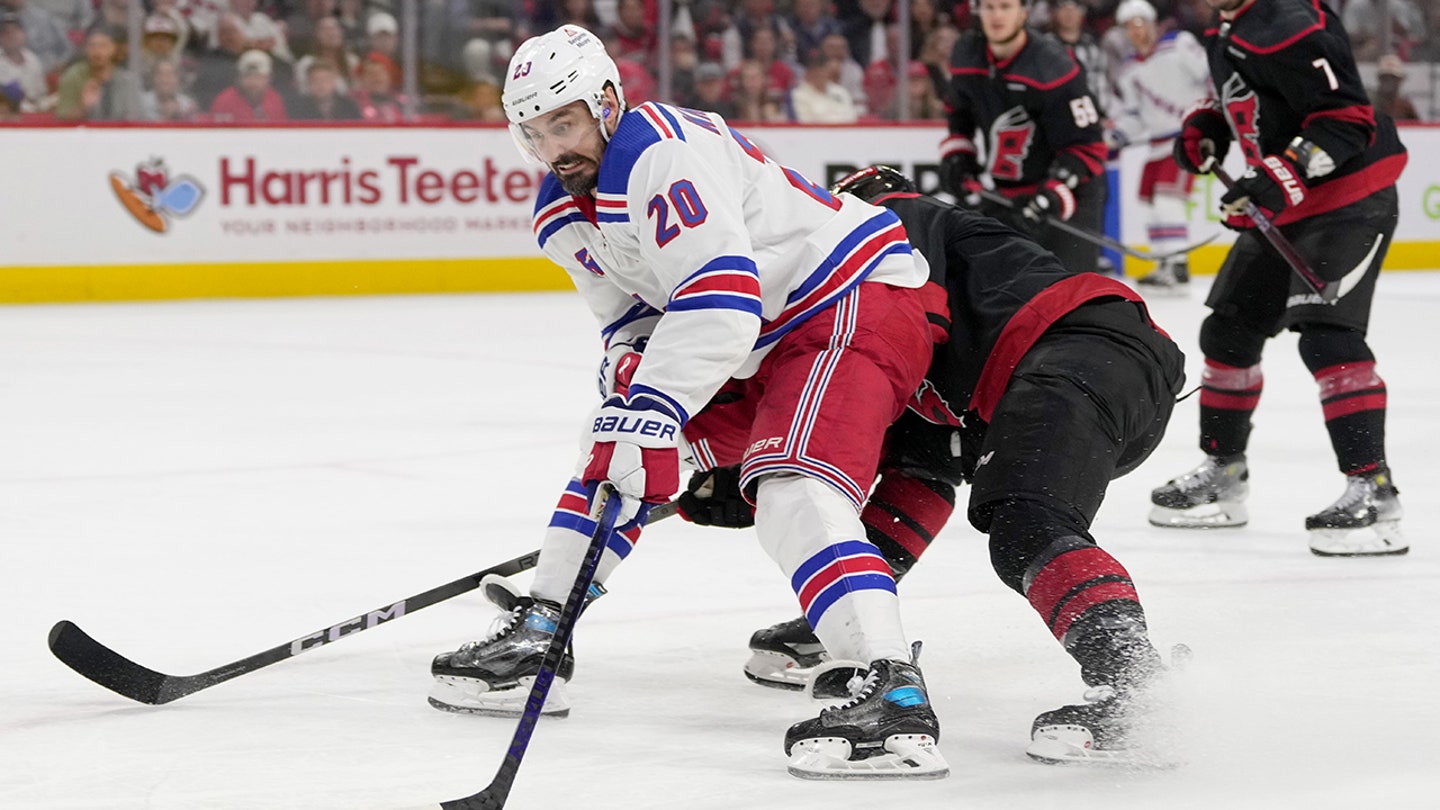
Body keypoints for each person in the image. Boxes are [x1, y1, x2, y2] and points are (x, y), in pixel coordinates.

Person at [427, 26, 949, 781]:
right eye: (534, 132)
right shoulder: (560, 210)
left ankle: (892, 687)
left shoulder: (660, 149)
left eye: (563, 123)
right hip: (761, 334)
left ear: (607, 102)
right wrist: (629, 382)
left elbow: (722, 295)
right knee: (616, 451)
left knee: (791, 487)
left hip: (849, 299)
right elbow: (631, 318)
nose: (552, 147)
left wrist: (656, 401)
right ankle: (542, 627)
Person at [687, 165, 1187, 765]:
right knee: (925, 462)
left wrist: (764, 459)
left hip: (1077, 349)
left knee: (1026, 526)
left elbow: (859, 380)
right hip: (1083, 366)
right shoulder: (934, 315)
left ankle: (1138, 687)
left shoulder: (884, 221)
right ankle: (848, 618)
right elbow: (920, 472)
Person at [1151, 0, 1409, 557]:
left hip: (1349, 197)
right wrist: (1210, 125)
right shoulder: (1231, 20)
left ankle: (1375, 489)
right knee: (1228, 332)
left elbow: (1346, 120)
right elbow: (1260, 94)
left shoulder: (1290, 20)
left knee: (1327, 337)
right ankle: (1224, 471)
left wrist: (1279, 175)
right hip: (1294, 202)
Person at [940, 0, 1110, 275]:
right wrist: (958, 156)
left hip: (1068, 196)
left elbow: (1089, 145)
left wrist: (1050, 195)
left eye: (1005, 6)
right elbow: (958, 113)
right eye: (989, 7)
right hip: (1006, 195)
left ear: (1023, 13)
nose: (996, 16)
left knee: (1065, 299)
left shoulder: (1052, 63)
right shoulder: (966, 53)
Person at [1108, 0, 1211, 292]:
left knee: (1168, 202)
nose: (1136, 31)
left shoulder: (1179, 44)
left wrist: (1212, 118)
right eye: (1129, 26)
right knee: (1151, 206)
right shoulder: (1129, 69)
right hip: (1155, 144)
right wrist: (1118, 135)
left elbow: (1208, 73)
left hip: (1184, 137)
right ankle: (1164, 264)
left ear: (1152, 23)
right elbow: (1134, 115)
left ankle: (1178, 265)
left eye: (1141, 23)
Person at [55, 26, 142, 121]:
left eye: (103, 46)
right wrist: (84, 107)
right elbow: (63, 119)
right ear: (85, 49)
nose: (97, 51)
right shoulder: (73, 76)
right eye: (92, 46)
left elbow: (139, 117)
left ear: (114, 48)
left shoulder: (126, 79)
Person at [208, 47, 287, 121]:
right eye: (247, 77)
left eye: (258, 77)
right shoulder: (224, 102)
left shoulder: (275, 99)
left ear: (269, 78)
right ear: (238, 78)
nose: (253, 83)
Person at [288, 56, 361, 119]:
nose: (321, 84)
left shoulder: (349, 106)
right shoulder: (298, 108)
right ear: (308, 83)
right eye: (315, 80)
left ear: (333, 82)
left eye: (325, 80)